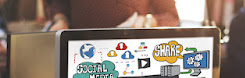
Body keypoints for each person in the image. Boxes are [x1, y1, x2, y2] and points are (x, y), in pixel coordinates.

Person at [44, 0, 179, 30]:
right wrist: (60, 19)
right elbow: (59, 3)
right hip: (77, 49)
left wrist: (148, 21)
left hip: (128, 52)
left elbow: (171, 17)